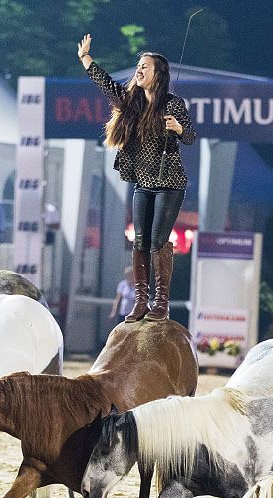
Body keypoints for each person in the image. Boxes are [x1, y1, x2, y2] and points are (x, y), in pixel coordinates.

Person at [79, 33, 196, 322]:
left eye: (145, 67)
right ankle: (141, 300)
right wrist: (86, 58)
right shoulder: (131, 102)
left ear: (158, 75)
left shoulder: (173, 104)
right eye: (138, 66)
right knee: (139, 240)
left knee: (158, 239)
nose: (139, 71)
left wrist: (179, 129)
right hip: (143, 184)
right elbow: (106, 84)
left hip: (169, 183)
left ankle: (162, 302)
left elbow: (191, 136)